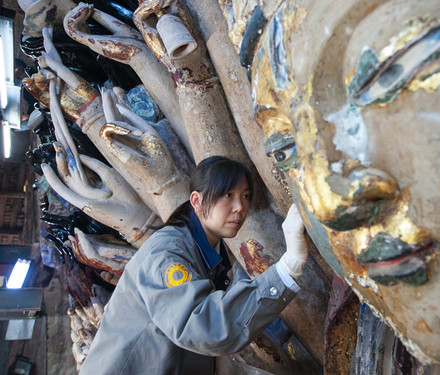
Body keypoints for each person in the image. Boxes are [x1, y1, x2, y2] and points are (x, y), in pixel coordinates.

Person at [79, 156, 309, 374]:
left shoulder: (206, 252)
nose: (240, 206)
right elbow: (206, 327)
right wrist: (289, 266)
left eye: (246, 196)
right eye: (228, 194)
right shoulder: (167, 254)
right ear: (196, 201)